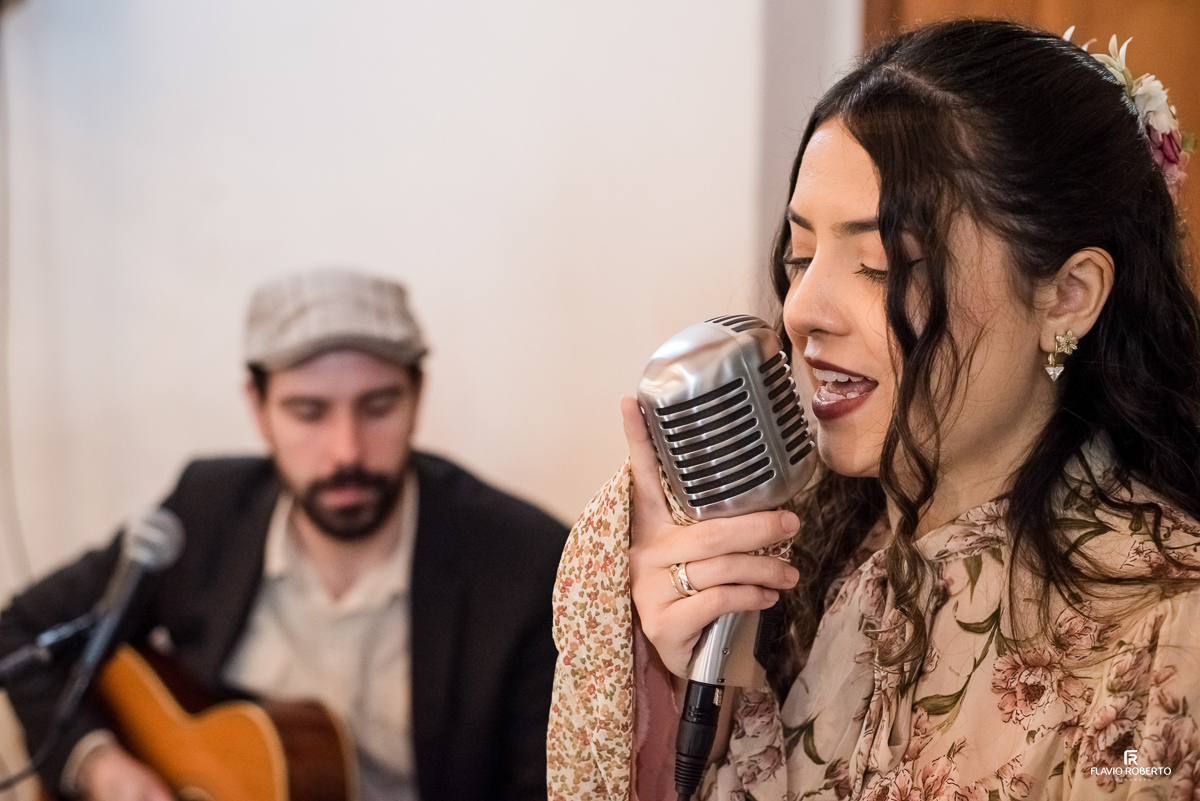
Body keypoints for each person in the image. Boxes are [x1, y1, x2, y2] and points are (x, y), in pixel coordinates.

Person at [549, 19, 1200, 801]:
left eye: (883, 262)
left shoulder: (1170, 631)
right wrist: (675, 687)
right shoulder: (812, 572)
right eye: (800, 256)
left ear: (1067, 295)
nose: (802, 310)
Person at [0, 268, 568, 801]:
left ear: (417, 397)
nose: (346, 450)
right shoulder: (206, 511)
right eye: (308, 412)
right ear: (258, 408)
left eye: (377, 406)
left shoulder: (528, 567)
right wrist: (100, 765)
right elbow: (23, 633)